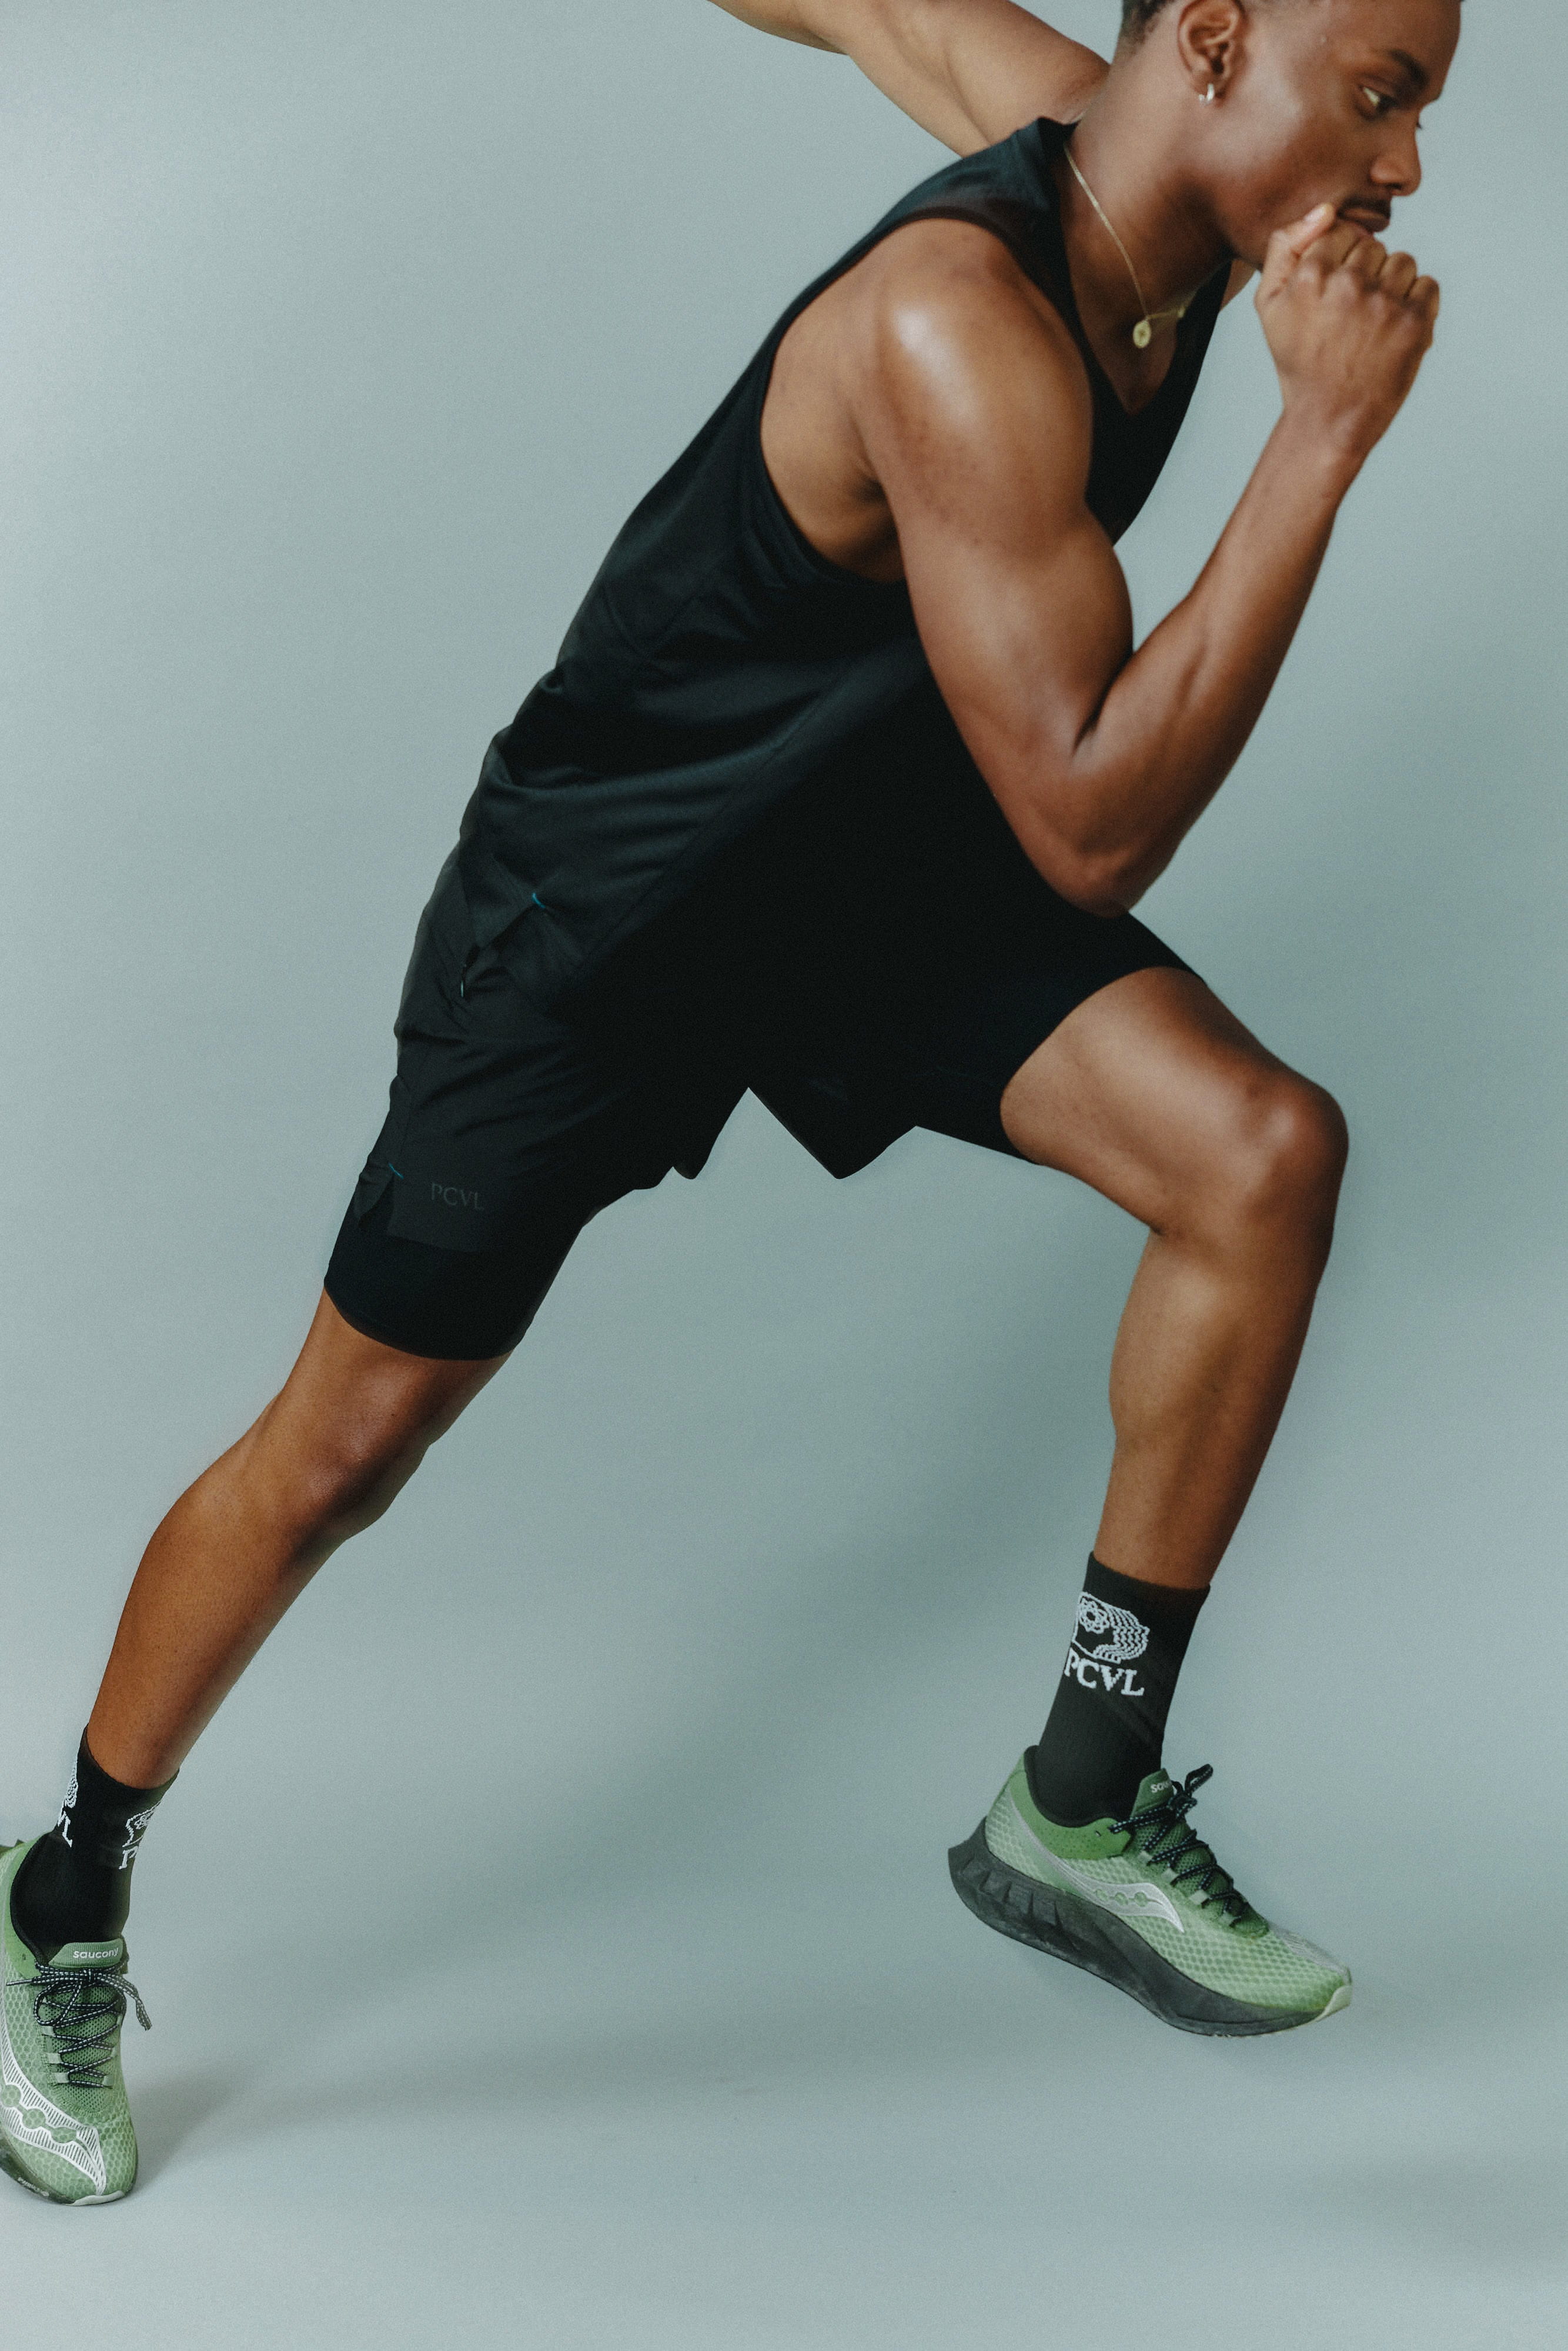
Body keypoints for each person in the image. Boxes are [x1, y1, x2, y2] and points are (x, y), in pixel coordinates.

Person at [1, 0, 1456, 2203]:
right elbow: (1083, 827)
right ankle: (57, 1897)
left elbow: (875, 2)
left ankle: (1077, 1790)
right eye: (1387, 89)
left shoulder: (1121, 156)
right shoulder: (962, 324)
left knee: (1260, 1155)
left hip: (866, 873)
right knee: (341, 1452)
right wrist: (1315, 447)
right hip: (610, 917)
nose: (1409, 166)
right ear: (1226, 43)